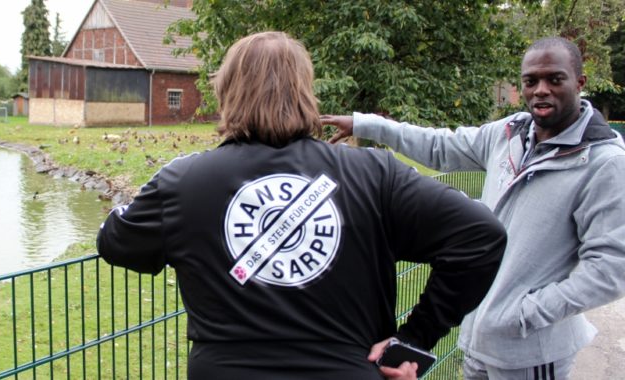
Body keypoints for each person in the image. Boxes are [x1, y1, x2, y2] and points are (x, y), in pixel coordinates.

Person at [97, 31, 506, 380]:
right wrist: (414, 339)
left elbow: (115, 241)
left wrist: (168, 184)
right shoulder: (374, 173)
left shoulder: (184, 181)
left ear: (226, 92)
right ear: (305, 91)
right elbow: (481, 236)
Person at [322, 36, 625, 379]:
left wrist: (522, 315)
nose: (541, 90)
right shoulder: (508, 132)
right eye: (530, 81)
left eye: (554, 79)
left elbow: (610, 270)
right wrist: (367, 125)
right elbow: (440, 147)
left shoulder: (603, 163)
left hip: (531, 354)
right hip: (478, 342)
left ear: (579, 83)